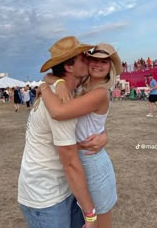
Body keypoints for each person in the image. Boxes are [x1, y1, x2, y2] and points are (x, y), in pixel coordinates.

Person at [18, 36, 105, 228]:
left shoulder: (58, 89)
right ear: (69, 67)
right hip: (47, 197)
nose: (88, 58)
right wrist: (90, 214)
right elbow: (71, 163)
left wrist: (53, 82)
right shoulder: (61, 102)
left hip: (54, 190)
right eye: (83, 56)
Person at [40, 43, 122, 228]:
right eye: (94, 59)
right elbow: (49, 75)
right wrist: (58, 82)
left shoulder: (100, 93)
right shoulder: (82, 83)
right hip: (78, 160)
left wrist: (44, 88)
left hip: (91, 161)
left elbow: (59, 112)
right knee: (85, 217)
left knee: (101, 220)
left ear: (111, 67)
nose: (98, 65)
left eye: (105, 61)